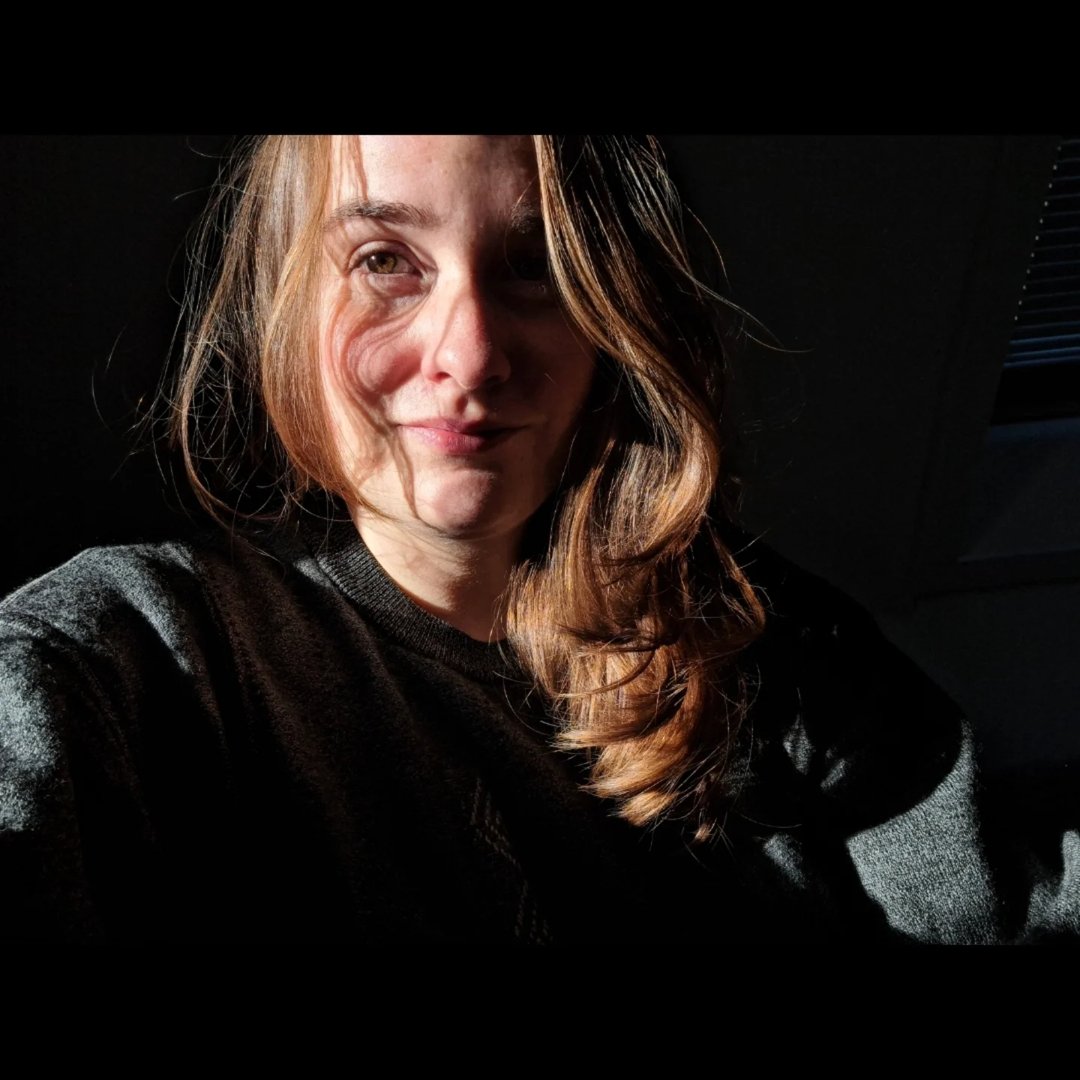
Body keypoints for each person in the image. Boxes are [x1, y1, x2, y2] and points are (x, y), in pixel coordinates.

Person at [1, 135, 1076, 943]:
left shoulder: (763, 639)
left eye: (536, 264)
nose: (470, 353)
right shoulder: (132, 656)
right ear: (282, 304)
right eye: (384, 260)